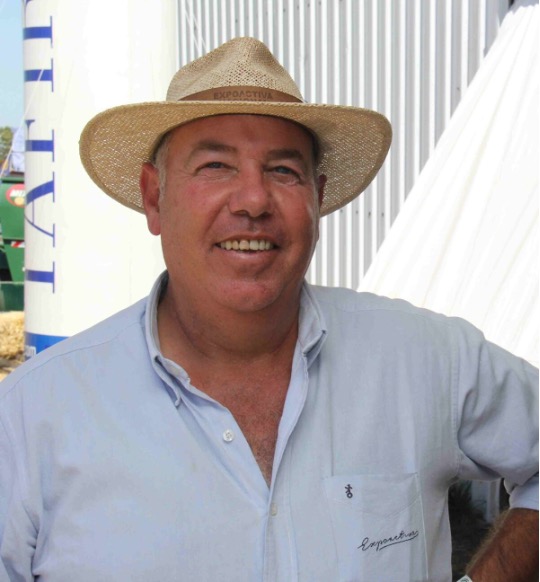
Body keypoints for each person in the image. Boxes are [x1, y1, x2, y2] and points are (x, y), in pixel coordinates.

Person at [0, 37, 537, 582]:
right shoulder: (32, 416)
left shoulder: (423, 359)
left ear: (317, 199)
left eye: (283, 170)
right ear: (154, 197)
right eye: (215, 165)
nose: (254, 200)